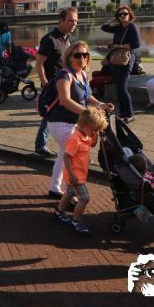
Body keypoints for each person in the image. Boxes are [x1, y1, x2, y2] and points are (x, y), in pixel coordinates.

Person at [44, 41, 113, 198]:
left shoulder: (83, 74)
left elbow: (87, 96)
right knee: (73, 156)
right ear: (70, 57)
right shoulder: (64, 75)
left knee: (64, 154)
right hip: (60, 122)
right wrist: (89, 113)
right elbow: (65, 100)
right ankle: (71, 193)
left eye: (85, 54)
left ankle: (55, 189)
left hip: (75, 122)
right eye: (77, 55)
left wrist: (101, 105)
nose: (82, 58)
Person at [53, 107, 108, 234]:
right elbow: (66, 157)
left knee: (69, 193)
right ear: (85, 125)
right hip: (75, 175)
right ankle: (76, 221)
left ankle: (59, 211)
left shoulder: (86, 135)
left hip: (78, 173)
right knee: (84, 198)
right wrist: (72, 174)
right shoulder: (75, 139)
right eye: (93, 129)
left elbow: (92, 144)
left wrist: (95, 135)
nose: (94, 131)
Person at [34, 7, 79, 157]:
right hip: (53, 86)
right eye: (70, 21)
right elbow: (39, 64)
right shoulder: (49, 40)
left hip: (65, 83)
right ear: (61, 20)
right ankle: (43, 146)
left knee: (53, 115)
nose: (74, 24)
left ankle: (43, 145)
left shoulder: (67, 38)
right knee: (50, 114)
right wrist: (45, 84)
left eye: (76, 21)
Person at [101, 6, 140, 123]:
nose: (122, 16)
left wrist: (119, 46)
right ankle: (123, 111)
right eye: (120, 14)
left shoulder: (132, 27)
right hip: (116, 59)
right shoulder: (118, 27)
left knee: (122, 88)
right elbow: (104, 27)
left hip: (126, 59)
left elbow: (136, 44)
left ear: (130, 15)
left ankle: (130, 114)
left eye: (125, 14)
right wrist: (114, 19)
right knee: (118, 87)